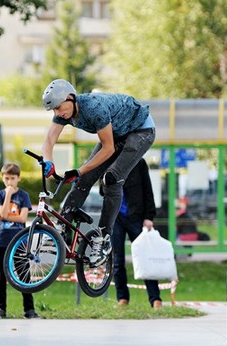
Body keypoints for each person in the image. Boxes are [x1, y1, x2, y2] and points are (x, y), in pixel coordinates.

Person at [40, 79, 155, 266]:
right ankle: (61, 229)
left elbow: (108, 149)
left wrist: (78, 171)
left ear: (70, 98)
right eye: (54, 110)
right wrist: (48, 162)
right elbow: (49, 140)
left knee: (112, 178)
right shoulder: (64, 113)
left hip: (140, 131)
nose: (58, 113)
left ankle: (103, 239)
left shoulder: (94, 108)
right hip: (117, 133)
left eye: (59, 107)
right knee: (83, 179)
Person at [0, 163, 41, 320]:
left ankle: (29, 309)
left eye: (13, 178)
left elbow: (22, 218)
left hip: (19, 240)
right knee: (1, 277)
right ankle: (0, 309)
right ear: (2, 178)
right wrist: (7, 196)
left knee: (24, 274)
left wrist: (3, 215)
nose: (10, 182)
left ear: (18, 178)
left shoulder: (23, 196)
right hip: (2, 240)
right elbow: (3, 212)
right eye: (7, 178)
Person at [112, 158, 163, 309]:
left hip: (136, 217)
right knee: (117, 261)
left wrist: (149, 216)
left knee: (145, 258)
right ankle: (122, 298)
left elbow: (148, 190)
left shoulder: (138, 163)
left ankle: (155, 299)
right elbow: (103, 191)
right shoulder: (109, 161)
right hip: (116, 218)